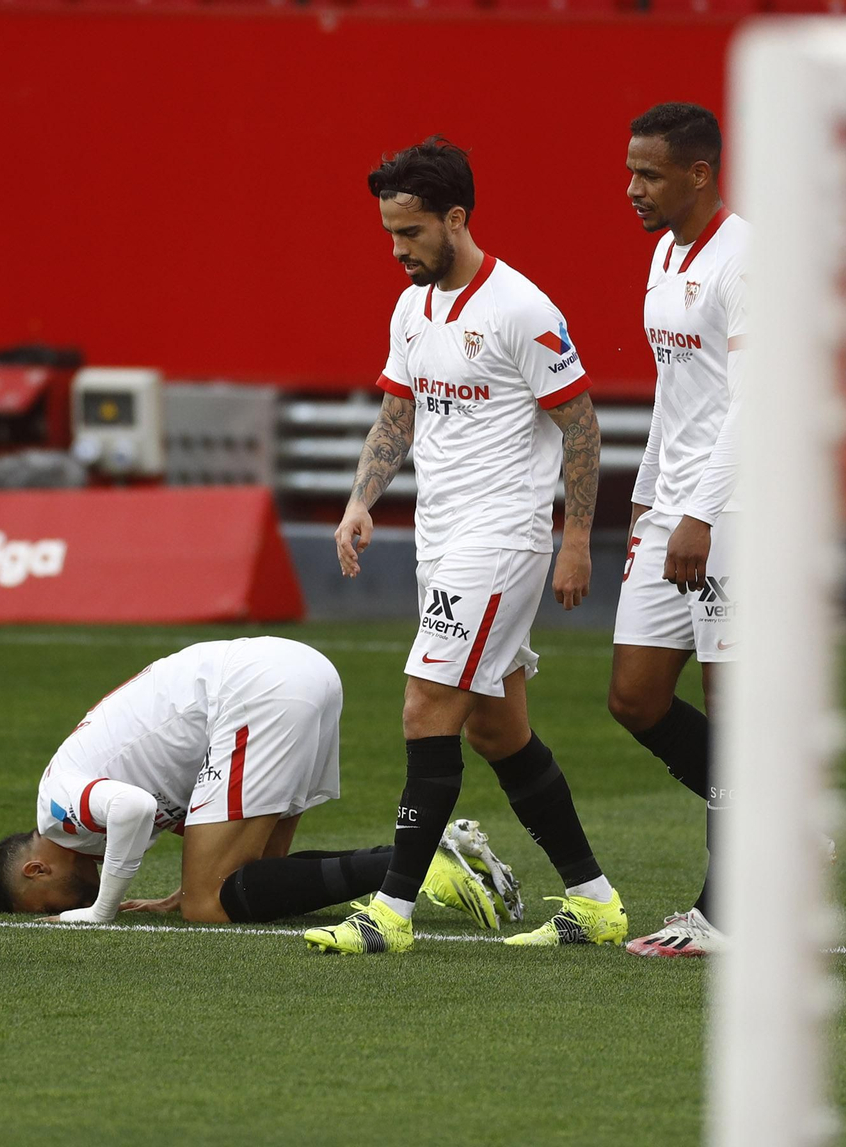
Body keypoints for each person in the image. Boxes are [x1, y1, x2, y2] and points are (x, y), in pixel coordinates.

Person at [306, 138, 626, 956]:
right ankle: (594, 899)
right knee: (495, 728)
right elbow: (398, 415)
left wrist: (577, 539)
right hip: (439, 539)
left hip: (504, 537)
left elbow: (581, 426)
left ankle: (392, 912)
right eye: (388, 233)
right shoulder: (411, 307)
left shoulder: (521, 309)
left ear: (457, 218)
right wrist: (358, 501)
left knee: (425, 700)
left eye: (410, 232)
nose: (397, 249)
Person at [0, 636, 522, 929]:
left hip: (252, 691)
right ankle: (422, 857)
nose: (62, 912)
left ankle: (421, 858)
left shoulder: (57, 806)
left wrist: (101, 913)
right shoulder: (80, 821)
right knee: (252, 884)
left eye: (49, 908)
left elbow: (131, 809)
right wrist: (188, 883)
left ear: (36, 868)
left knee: (208, 906)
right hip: (295, 671)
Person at [611, 103, 746, 958]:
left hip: (733, 507)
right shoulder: (665, 253)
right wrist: (648, 494)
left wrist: (699, 509)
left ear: (700, 173)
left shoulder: (748, 258)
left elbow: (752, 400)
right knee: (637, 695)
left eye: (649, 174)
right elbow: (677, 391)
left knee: (731, 706)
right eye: (630, 172)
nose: (632, 189)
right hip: (673, 506)